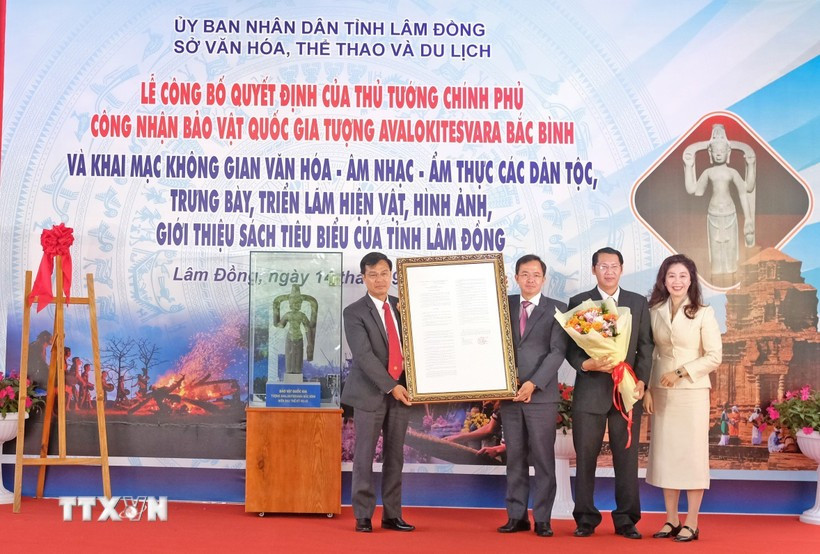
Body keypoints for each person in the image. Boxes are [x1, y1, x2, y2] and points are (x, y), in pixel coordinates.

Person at [566, 247, 653, 539]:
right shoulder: (579, 302)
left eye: (614, 266)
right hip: (590, 391)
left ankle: (627, 519)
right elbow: (571, 348)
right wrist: (585, 364)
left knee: (626, 459)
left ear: (621, 268)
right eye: (603, 266)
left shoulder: (637, 303)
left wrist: (641, 381)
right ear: (594, 270)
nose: (609, 271)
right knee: (586, 457)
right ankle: (585, 519)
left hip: (626, 390)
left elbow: (646, 346)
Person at [644, 254, 722, 543]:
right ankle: (671, 519)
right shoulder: (654, 311)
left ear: (691, 280)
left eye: (683, 276)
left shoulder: (704, 313)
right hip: (662, 392)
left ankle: (692, 521)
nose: (677, 281)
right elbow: (650, 354)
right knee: (665, 454)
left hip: (691, 393)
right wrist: (649, 389)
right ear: (663, 280)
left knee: (690, 455)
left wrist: (681, 372)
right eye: (671, 276)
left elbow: (714, 356)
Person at [340, 252, 414, 533]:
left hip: (402, 393)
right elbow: (364, 356)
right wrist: (391, 386)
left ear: (391, 275)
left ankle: (393, 514)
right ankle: (362, 515)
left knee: (395, 456)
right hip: (371, 393)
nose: (379, 279)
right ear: (363, 278)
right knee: (364, 456)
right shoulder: (354, 312)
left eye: (384, 273)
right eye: (373, 275)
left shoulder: (402, 307)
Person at [495, 254, 567, 538]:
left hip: (541, 397)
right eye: (524, 274)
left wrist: (534, 383)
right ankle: (516, 516)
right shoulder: (504, 304)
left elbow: (557, 351)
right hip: (509, 395)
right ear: (516, 277)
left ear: (544, 278)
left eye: (536, 274)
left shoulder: (558, 309)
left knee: (543, 459)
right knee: (514, 457)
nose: (530, 279)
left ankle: (543, 519)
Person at [682, 123, 757, 276]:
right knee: (715, 246)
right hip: (713, 215)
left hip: (730, 213)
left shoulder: (732, 172)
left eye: (722, 150)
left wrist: (751, 165)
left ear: (728, 152)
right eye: (715, 150)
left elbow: (747, 189)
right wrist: (689, 167)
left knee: (730, 246)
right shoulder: (708, 173)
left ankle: (730, 270)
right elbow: (693, 190)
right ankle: (716, 272)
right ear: (710, 153)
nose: (718, 153)